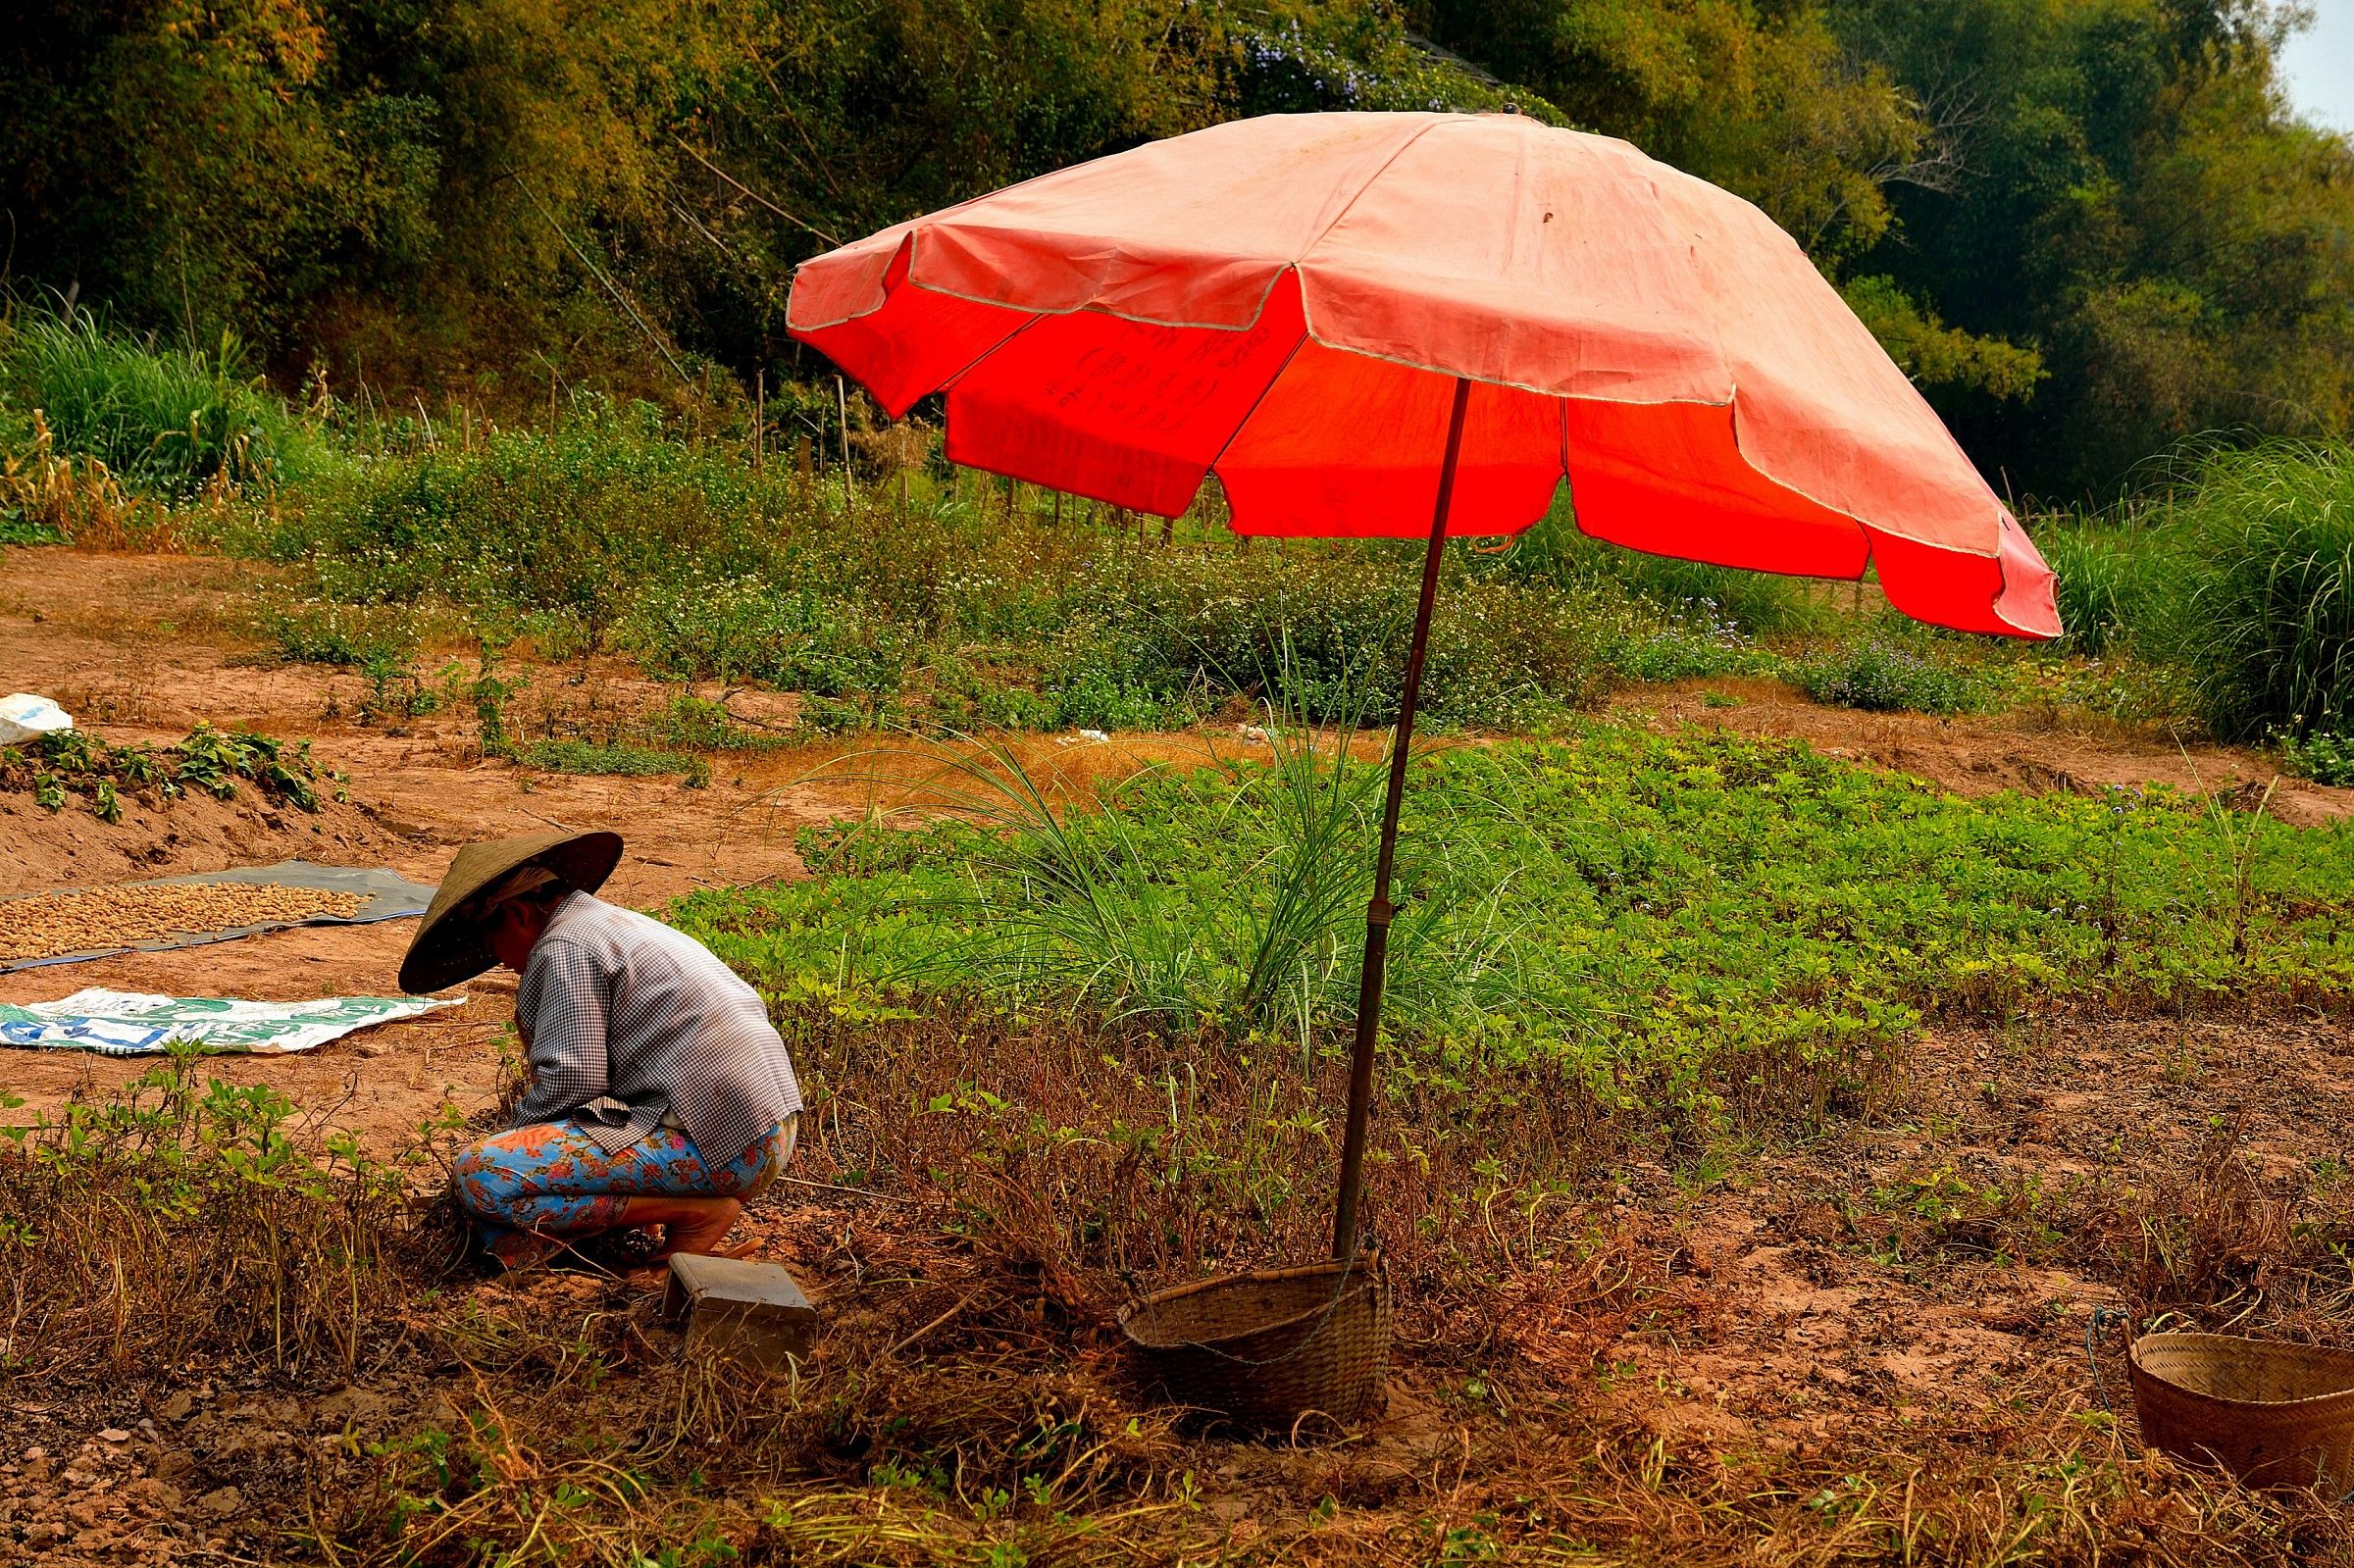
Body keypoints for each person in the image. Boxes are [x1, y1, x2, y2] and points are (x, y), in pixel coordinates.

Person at [399, 831, 802, 1271]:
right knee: (507, 1198)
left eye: (490, 944)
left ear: (516, 913)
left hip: (721, 1148)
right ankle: (630, 1225)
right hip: (761, 1133)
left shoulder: (563, 947)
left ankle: (694, 1212)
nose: (499, 960)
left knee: (483, 1175)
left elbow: (573, 1078)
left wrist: (511, 1141)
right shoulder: (607, 924)